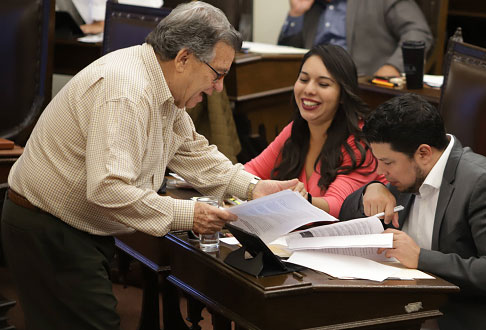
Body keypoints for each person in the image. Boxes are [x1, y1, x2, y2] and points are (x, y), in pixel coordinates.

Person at [1, 3, 297, 329]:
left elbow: (192, 151)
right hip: (50, 229)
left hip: (70, 226)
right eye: (218, 74)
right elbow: (108, 188)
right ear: (183, 58)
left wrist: (255, 188)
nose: (218, 88)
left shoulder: (159, 84)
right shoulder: (128, 90)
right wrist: (190, 216)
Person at [339, 93, 486, 330]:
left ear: (423, 153)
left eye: (387, 162)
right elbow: (345, 217)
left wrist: (420, 258)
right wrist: (370, 190)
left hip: (475, 319)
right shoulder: (404, 176)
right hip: (411, 310)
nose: (381, 171)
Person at [244, 44, 384, 218]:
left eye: (323, 84)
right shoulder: (296, 129)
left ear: (343, 94)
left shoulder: (359, 140)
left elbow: (337, 205)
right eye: (303, 80)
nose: (309, 90)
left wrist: (300, 198)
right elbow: (250, 171)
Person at [278, 0, 433, 77]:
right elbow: (289, 55)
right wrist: (296, 14)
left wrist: (393, 67)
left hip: (364, 88)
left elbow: (418, 33)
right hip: (315, 88)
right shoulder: (311, 6)